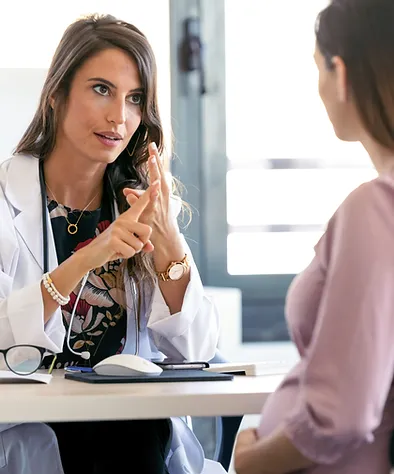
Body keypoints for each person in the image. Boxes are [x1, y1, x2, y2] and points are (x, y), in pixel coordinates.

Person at [0, 13, 220, 474]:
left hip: (127, 429)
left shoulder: (140, 205)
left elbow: (197, 351)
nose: (119, 116)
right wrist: (90, 258)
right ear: (57, 96)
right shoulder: (6, 200)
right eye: (101, 89)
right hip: (30, 427)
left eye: (135, 99)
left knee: (133, 432)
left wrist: (170, 242)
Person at [234, 0, 394, 473]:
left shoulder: (375, 207)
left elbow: (339, 417)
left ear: (340, 73)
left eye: (317, 69)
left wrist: (248, 461)